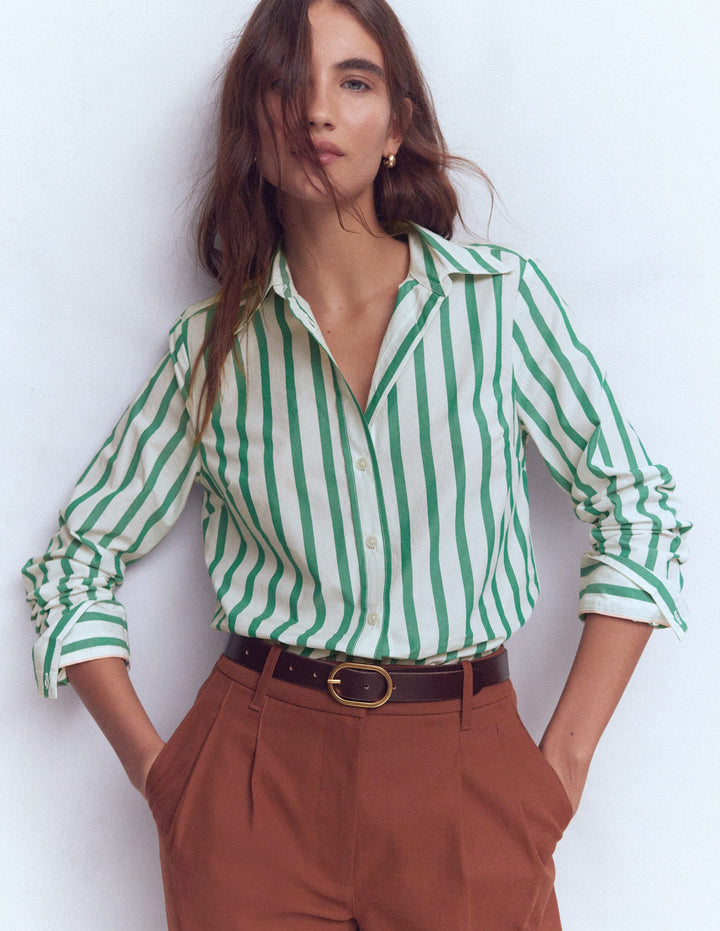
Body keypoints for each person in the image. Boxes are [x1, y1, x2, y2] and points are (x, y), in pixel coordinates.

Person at [22, 0, 691, 928]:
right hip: (254, 783)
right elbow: (73, 563)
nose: (317, 112)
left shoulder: (500, 307)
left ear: (396, 126)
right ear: (252, 126)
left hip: (466, 774)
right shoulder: (212, 351)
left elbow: (639, 509)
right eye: (286, 84)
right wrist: (164, 778)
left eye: (354, 81)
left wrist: (562, 766)